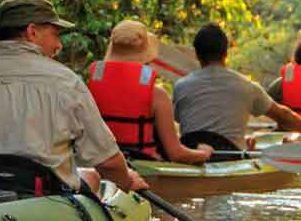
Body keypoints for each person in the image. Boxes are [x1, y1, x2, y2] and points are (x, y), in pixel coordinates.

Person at [0, 0, 147, 195]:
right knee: (91, 175)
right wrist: (126, 180)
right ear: (32, 31)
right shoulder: (66, 82)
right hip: (39, 198)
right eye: (55, 34)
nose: (58, 45)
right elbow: (107, 161)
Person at [172, 23, 301, 152]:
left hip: (191, 155)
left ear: (197, 55)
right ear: (226, 53)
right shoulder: (247, 86)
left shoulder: (181, 86)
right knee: (293, 139)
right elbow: (283, 116)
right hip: (229, 158)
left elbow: (180, 119)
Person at [86, 20, 213, 164]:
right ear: (146, 55)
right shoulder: (157, 96)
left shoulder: (89, 88)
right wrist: (204, 153)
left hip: (103, 165)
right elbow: (176, 154)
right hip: (143, 168)